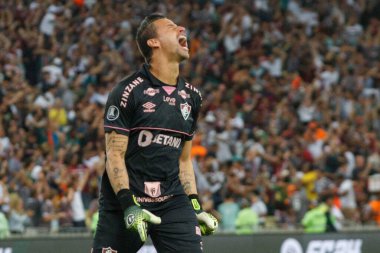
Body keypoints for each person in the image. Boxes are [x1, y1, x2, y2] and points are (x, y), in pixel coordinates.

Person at [92, 14, 218, 253]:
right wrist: (129, 206)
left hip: (172, 201)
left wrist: (195, 205)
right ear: (153, 42)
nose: (181, 28)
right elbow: (114, 155)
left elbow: (183, 159)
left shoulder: (192, 97)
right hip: (127, 200)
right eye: (171, 27)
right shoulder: (127, 91)